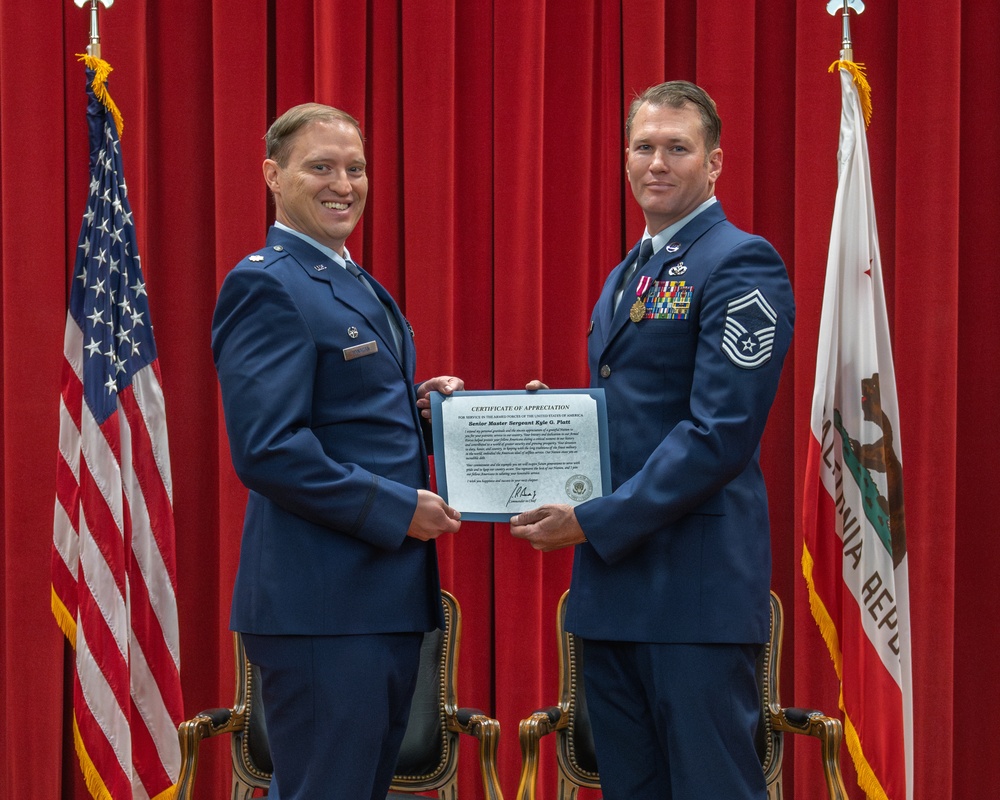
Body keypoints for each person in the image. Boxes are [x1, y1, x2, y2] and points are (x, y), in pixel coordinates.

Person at [510, 80, 795, 800]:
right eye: (644, 147)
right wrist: (564, 422)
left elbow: (718, 433)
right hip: (614, 591)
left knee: (712, 787)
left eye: (678, 147)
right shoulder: (627, 273)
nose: (657, 162)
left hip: (693, 592)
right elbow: (636, 409)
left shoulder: (740, 263)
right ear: (625, 158)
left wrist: (592, 520)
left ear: (715, 162)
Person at [212, 103, 463, 800]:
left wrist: (423, 411)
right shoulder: (268, 282)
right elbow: (267, 448)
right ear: (273, 175)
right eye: (320, 167)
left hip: (376, 601)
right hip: (322, 607)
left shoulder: (348, 278)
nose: (343, 184)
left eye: (354, 168)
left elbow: (338, 413)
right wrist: (396, 508)